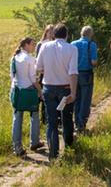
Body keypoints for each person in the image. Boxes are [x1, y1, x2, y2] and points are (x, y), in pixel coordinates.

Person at [35, 23, 78, 160]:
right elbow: (73, 73)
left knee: (51, 122)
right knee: (66, 118)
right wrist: (73, 92)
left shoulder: (44, 47)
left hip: (48, 87)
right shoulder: (72, 49)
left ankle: (53, 154)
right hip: (65, 87)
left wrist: (49, 70)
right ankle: (69, 148)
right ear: (66, 35)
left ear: (54, 34)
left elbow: (39, 67)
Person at [10, 37, 44, 156]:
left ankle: (17, 147)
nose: (34, 46)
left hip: (17, 90)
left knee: (17, 119)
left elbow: (12, 77)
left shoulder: (14, 57)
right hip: (29, 91)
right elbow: (33, 79)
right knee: (34, 115)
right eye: (32, 44)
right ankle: (34, 142)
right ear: (26, 45)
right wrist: (40, 91)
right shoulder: (30, 58)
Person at [71, 26, 98, 132]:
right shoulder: (92, 45)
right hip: (86, 74)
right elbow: (93, 62)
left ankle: (76, 121)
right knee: (85, 100)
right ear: (90, 34)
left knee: (76, 99)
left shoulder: (73, 44)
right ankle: (82, 123)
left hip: (74, 75)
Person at [35, 24, 55, 125]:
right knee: (41, 96)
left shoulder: (56, 43)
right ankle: (39, 118)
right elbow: (37, 59)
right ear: (45, 32)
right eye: (49, 31)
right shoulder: (40, 44)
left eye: (52, 31)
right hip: (42, 73)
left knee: (49, 97)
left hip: (52, 73)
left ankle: (47, 118)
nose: (51, 33)